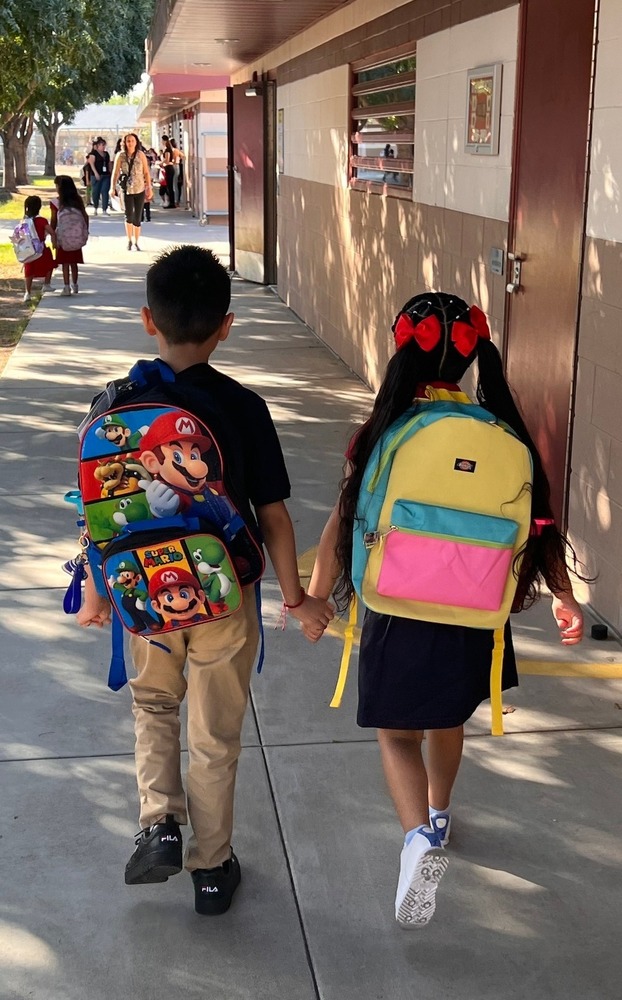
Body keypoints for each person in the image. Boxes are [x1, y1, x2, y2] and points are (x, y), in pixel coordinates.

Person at [304, 291, 585, 929]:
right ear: (472, 359)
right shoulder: (505, 432)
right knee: (446, 718)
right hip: (476, 613)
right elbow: (539, 527)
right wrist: (564, 597)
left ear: (402, 348)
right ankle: (440, 813)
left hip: (398, 608)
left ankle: (416, 840)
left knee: (398, 734)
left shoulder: (383, 430)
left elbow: (341, 523)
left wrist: (317, 598)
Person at [74, 245, 334, 916]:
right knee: (215, 735)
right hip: (223, 597)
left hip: (143, 594)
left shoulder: (117, 403)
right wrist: (297, 599)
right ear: (226, 325)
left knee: (155, 707)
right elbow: (272, 518)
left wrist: (101, 589)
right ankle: (211, 870)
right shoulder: (244, 408)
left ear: (146, 320)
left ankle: (160, 822)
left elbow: (103, 515)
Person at [110, 133, 152, 251]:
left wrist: (149, 187)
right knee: (129, 216)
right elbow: (115, 172)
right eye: (128, 141)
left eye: (132, 141)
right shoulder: (120, 155)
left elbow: (146, 172)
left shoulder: (141, 155)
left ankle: (137, 241)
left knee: (138, 217)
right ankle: (129, 240)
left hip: (139, 188)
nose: (130, 143)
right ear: (124, 143)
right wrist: (112, 187)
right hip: (126, 189)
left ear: (136, 142)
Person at [50, 175, 88, 296]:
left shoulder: (56, 203)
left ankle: (66, 287)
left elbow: (53, 221)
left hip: (63, 239)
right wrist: (85, 231)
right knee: (74, 263)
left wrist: (53, 238)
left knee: (65, 264)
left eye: (56, 186)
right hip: (76, 237)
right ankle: (75, 285)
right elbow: (85, 216)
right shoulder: (77, 200)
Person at [20, 195, 56, 303]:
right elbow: (52, 232)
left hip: (28, 250)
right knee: (50, 263)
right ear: (39, 207)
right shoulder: (42, 220)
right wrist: (54, 242)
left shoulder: (24, 221)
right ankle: (46, 284)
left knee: (29, 269)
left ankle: (27, 292)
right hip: (40, 249)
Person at [88, 137, 112, 215]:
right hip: (96, 175)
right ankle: (95, 207)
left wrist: (111, 173)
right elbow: (91, 164)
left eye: (104, 145)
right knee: (96, 192)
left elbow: (109, 164)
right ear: (97, 146)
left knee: (105, 191)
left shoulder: (106, 154)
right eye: (102, 145)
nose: (103, 147)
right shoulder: (93, 154)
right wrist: (96, 173)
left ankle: (104, 209)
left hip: (106, 175)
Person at [161, 136, 176, 208]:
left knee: (169, 186)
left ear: (165, 141)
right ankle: (171, 202)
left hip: (169, 169)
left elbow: (167, 160)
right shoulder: (168, 149)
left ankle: (172, 203)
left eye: (162, 141)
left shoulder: (167, 150)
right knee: (168, 186)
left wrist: (161, 163)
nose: (162, 142)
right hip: (169, 168)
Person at [170, 138, 185, 206]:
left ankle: (176, 201)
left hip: (174, 166)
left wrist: (175, 161)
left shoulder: (173, 150)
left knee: (174, 185)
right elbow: (183, 156)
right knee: (175, 185)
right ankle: (177, 200)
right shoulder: (177, 150)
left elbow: (173, 160)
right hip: (177, 166)